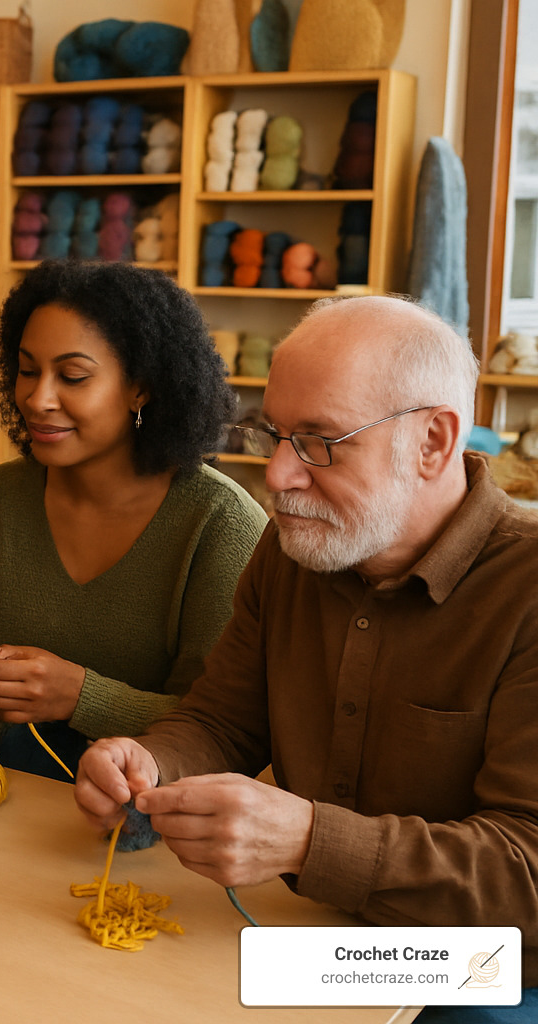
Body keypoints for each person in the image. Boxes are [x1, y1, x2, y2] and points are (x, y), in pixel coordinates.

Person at [74, 296, 538, 1013]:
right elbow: (225, 720)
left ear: (434, 443)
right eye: (273, 435)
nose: (279, 477)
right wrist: (153, 761)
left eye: (320, 442)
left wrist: (309, 842)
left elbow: (526, 874)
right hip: (314, 921)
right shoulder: (296, 547)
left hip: (486, 958)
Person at [0, 261, 268, 778]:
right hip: (0, 806)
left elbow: (227, 734)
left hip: (146, 833)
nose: (37, 398)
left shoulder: (221, 526)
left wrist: (81, 697)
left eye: (72, 376)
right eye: (27, 370)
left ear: (141, 389)